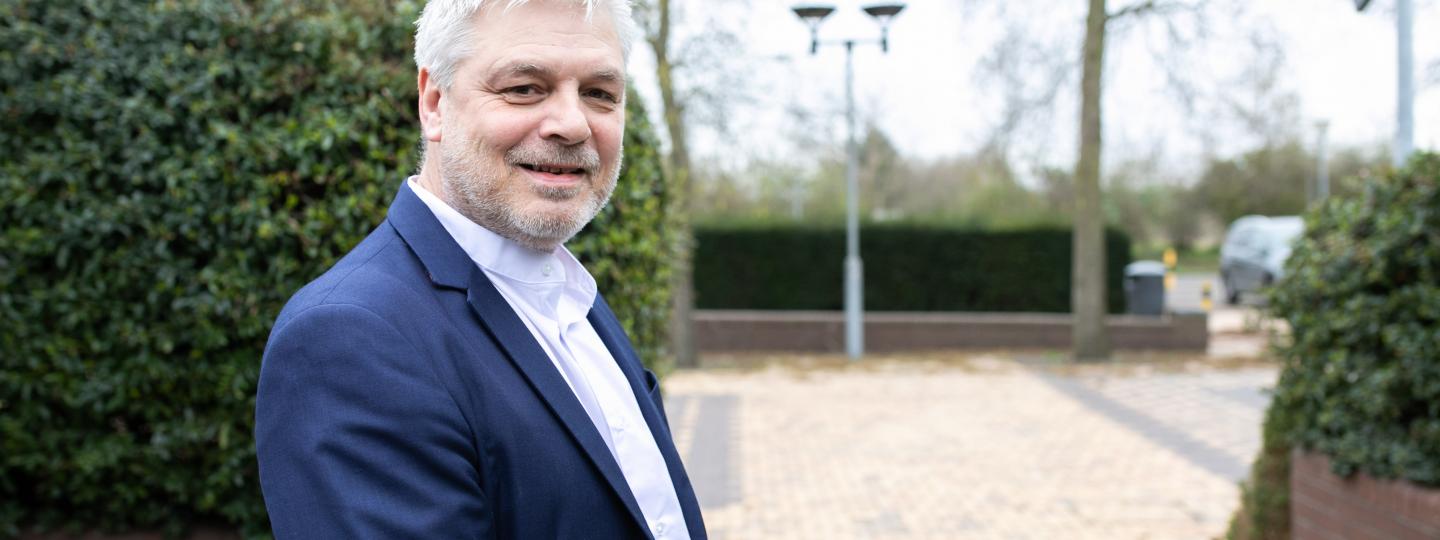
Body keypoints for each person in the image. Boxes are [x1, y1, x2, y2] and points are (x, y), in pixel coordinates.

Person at [253, 0, 706, 538]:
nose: (572, 123)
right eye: (524, 88)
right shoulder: (348, 340)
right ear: (434, 103)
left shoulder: (567, 296)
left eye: (599, 94)